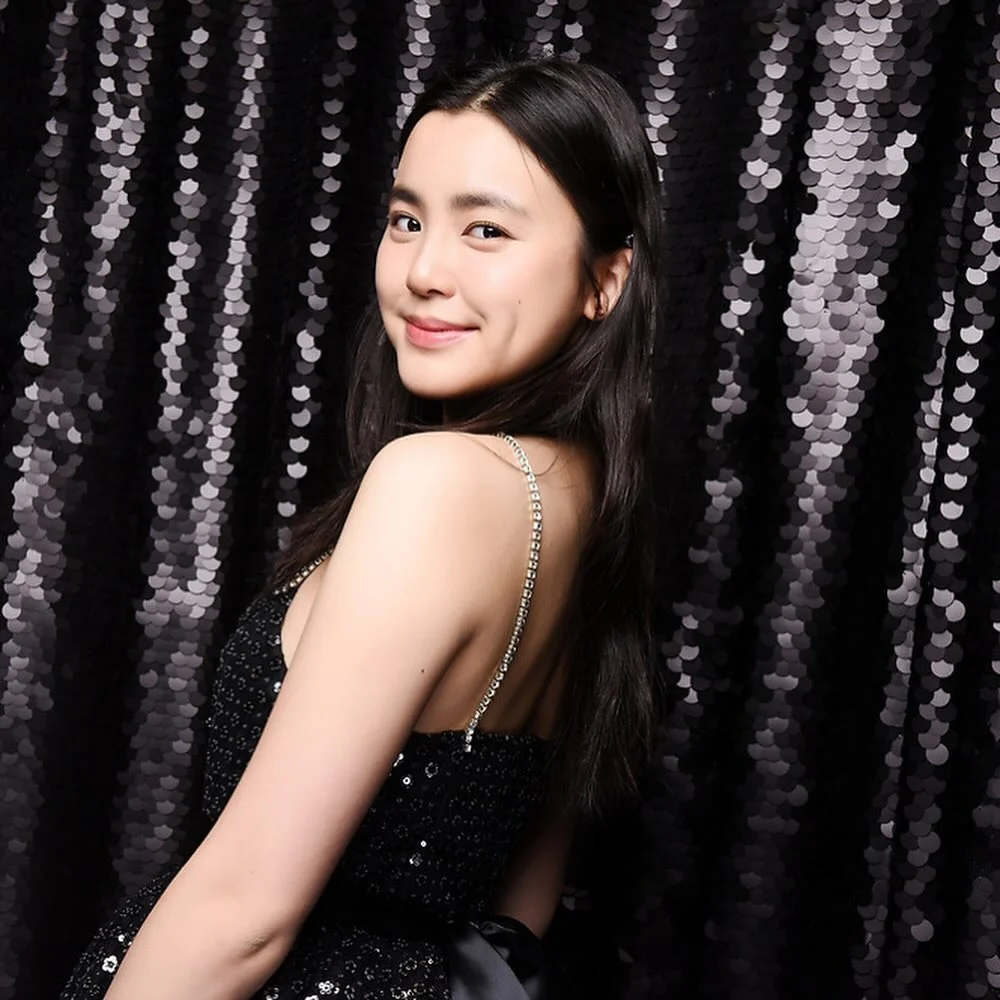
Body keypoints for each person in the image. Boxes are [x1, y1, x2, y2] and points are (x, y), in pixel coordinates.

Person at [62, 55, 663, 1000]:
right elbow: (515, 921)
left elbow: (243, 915)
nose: (424, 271)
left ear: (606, 278)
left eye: (487, 229)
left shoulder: (436, 484)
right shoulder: (587, 496)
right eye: (407, 220)